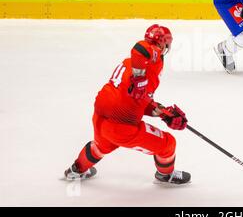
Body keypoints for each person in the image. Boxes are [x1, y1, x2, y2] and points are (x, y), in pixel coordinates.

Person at [64, 24, 191, 185]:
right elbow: (140, 49)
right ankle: (165, 175)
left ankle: (75, 171)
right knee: (168, 144)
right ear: (161, 44)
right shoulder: (153, 60)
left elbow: (137, 98)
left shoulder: (129, 63)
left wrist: (163, 113)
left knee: (101, 147)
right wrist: (140, 78)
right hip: (121, 126)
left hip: (100, 115)